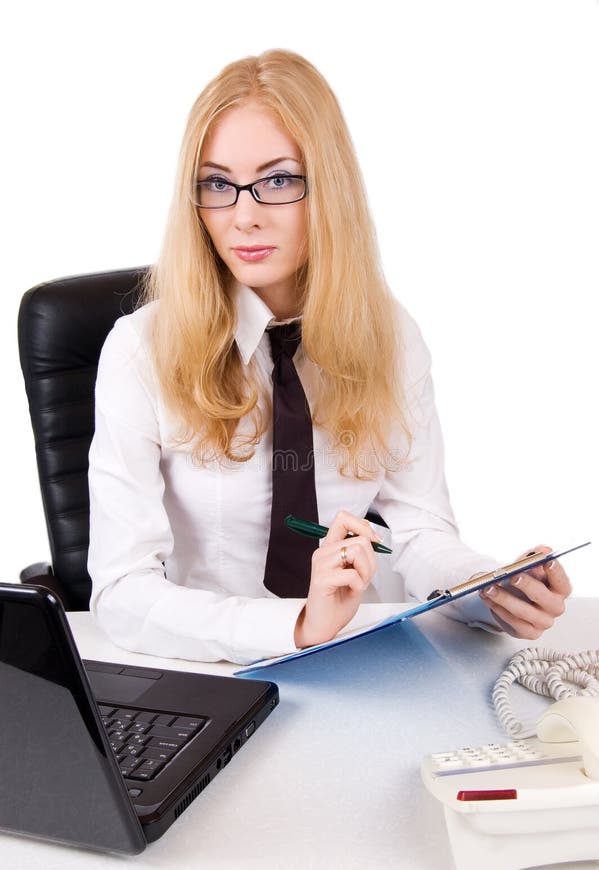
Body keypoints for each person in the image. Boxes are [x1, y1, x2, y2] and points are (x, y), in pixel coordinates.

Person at [87, 49, 572, 665]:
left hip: (359, 660)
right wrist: (297, 625)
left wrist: (490, 589)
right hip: (205, 670)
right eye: (217, 184)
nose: (244, 216)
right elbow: (122, 590)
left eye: (279, 180)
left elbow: (419, 532)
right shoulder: (141, 350)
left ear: (329, 187)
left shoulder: (390, 337)